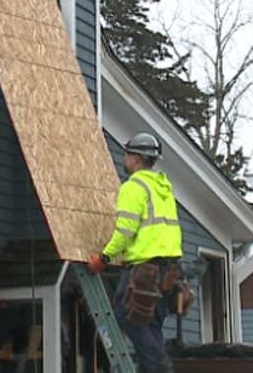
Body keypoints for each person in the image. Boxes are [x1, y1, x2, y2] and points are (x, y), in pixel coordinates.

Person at [87, 132, 182, 373]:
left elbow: (125, 230)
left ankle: (161, 369)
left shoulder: (134, 187)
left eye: (127, 153)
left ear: (137, 158)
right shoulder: (163, 188)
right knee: (151, 325)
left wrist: (105, 258)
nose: (125, 158)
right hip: (168, 271)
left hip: (145, 268)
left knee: (126, 314)